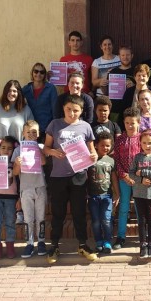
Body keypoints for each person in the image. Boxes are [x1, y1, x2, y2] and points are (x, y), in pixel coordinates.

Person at [44, 94, 98, 263]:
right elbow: (45, 148)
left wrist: (94, 156)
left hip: (79, 176)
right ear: (63, 109)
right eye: (69, 109)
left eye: (76, 110)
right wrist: (53, 152)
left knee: (79, 212)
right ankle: (54, 246)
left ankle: (82, 244)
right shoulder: (55, 124)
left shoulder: (86, 127)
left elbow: (92, 151)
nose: (72, 113)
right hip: (58, 176)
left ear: (81, 111)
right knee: (58, 213)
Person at [13, 121, 48, 258]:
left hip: (40, 186)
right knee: (28, 218)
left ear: (38, 133)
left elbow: (44, 162)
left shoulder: (41, 146)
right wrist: (17, 163)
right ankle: (29, 243)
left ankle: (41, 242)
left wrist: (38, 150)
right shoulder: (18, 149)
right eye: (28, 132)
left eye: (34, 132)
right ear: (23, 133)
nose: (31, 134)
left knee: (40, 217)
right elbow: (15, 173)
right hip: (26, 188)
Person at [127, 130, 151, 258]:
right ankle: (143, 245)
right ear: (140, 144)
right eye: (144, 143)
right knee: (141, 220)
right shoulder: (137, 157)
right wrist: (140, 179)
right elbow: (131, 173)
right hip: (138, 194)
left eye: (150, 143)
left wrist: (143, 172)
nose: (147, 145)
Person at [112, 107, 142, 250]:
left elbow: (146, 158)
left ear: (138, 123)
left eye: (133, 123)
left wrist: (137, 176)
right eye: (127, 123)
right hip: (123, 179)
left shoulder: (142, 139)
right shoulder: (119, 140)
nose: (130, 126)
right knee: (123, 207)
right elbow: (116, 159)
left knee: (139, 207)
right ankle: (121, 236)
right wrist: (123, 175)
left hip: (139, 179)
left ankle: (143, 235)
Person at [88, 132, 120, 255]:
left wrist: (117, 194)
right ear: (96, 145)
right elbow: (85, 177)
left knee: (106, 220)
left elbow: (114, 178)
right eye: (102, 145)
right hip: (93, 196)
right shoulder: (91, 160)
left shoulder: (111, 161)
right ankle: (98, 241)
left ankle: (107, 241)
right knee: (96, 221)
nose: (105, 148)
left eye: (108, 146)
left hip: (107, 196)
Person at [0, 136, 18, 260]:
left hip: (11, 196)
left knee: (10, 221)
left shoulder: (15, 163)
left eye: (10, 148)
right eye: (3, 148)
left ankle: (10, 245)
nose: (6, 151)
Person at [22, 62, 58, 143]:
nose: (38, 74)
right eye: (36, 71)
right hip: (31, 129)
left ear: (45, 75)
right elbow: (17, 101)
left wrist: (53, 128)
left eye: (42, 72)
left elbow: (55, 109)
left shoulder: (51, 88)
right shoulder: (26, 89)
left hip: (46, 129)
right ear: (32, 73)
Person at [108, 45, 136, 123]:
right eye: (123, 55)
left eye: (127, 55)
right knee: (115, 131)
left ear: (132, 56)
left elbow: (143, 88)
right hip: (115, 108)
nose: (125, 57)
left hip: (132, 108)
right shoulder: (113, 72)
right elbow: (106, 91)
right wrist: (103, 84)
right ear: (119, 56)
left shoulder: (136, 71)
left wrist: (134, 86)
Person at [60, 30, 94, 94]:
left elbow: (93, 78)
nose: (75, 43)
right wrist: (53, 76)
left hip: (85, 93)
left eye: (77, 40)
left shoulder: (89, 59)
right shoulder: (63, 60)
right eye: (72, 40)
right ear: (69, 43)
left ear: (81, 42)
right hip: (68, 93)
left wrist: (92, 91)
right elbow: (60, 80)